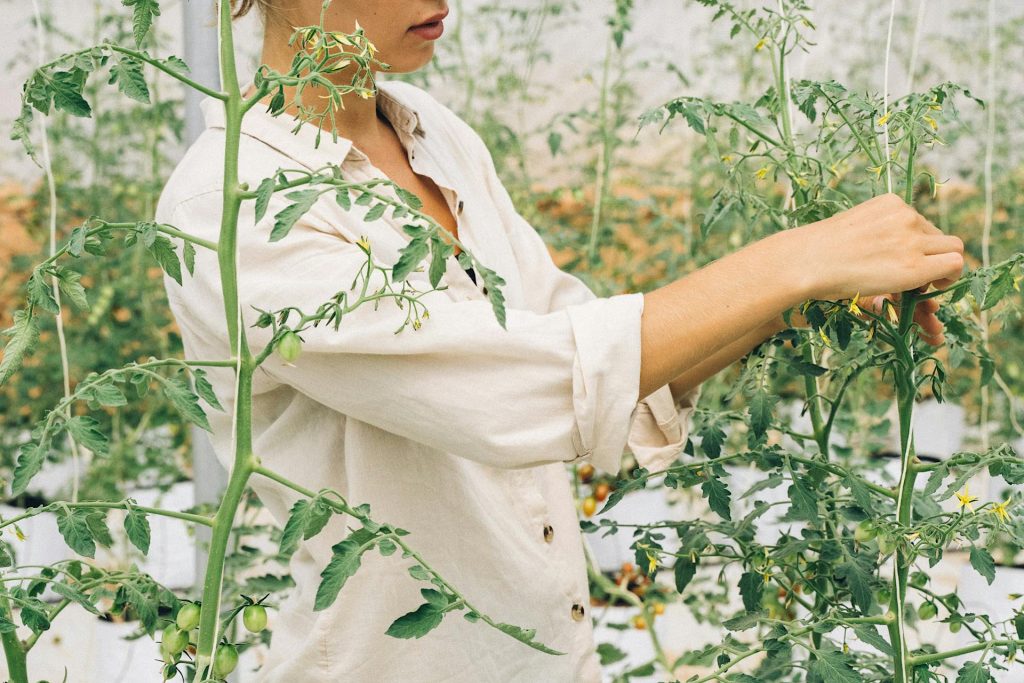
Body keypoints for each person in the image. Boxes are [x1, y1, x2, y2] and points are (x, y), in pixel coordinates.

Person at [156, 1, 965, 681]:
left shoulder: (430, 133)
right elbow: (521, 391)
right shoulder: (229, 208)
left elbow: (573, 340)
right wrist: (792, 261)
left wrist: (791, 300)